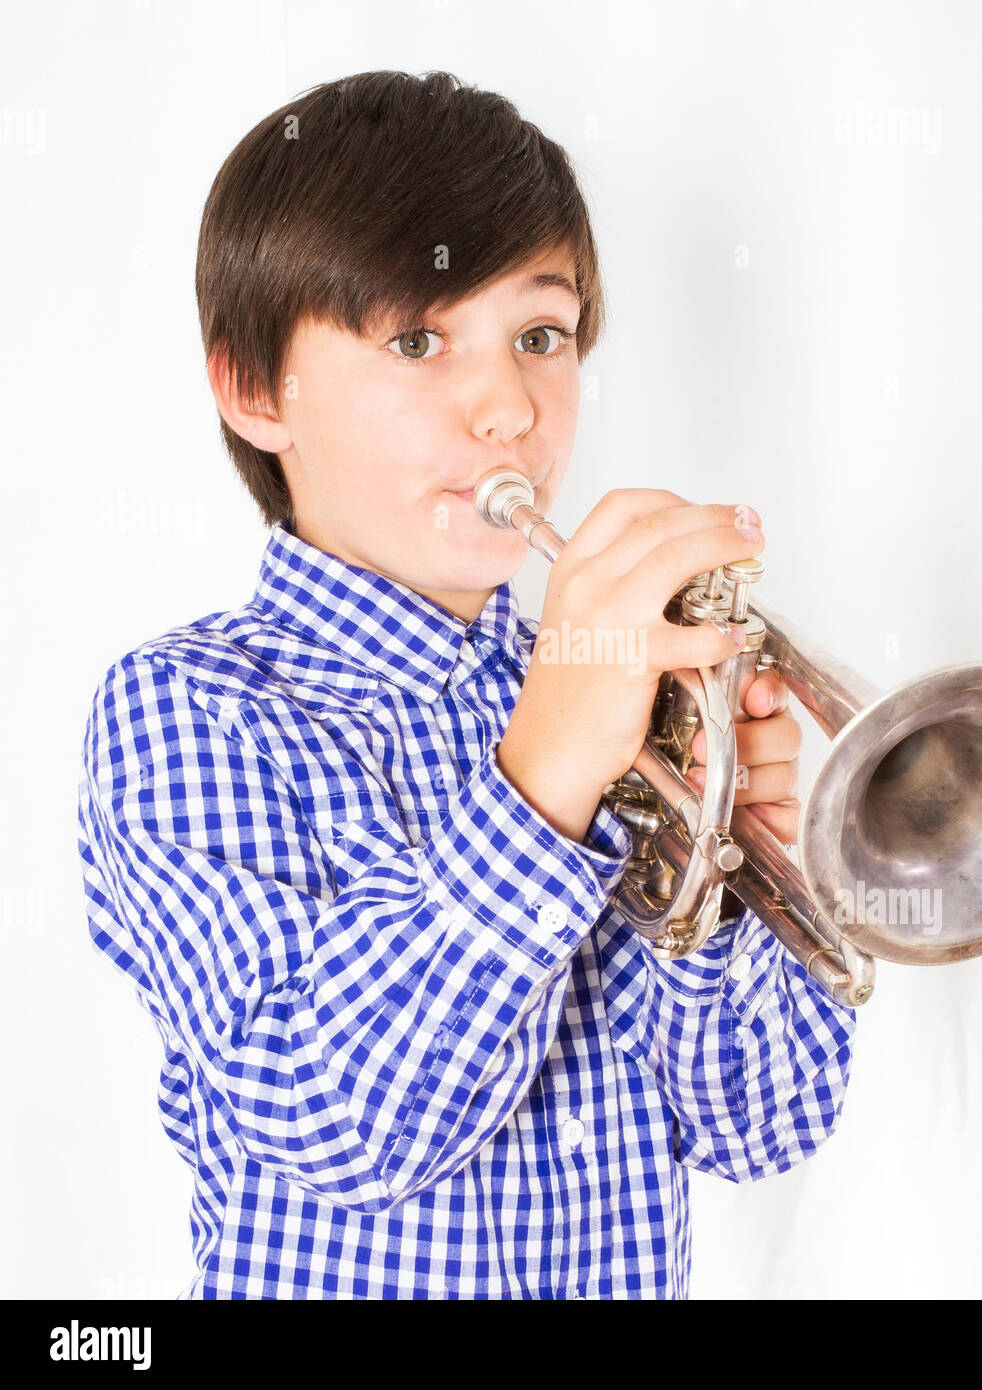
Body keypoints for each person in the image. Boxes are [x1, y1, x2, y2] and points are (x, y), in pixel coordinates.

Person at [76, 69, 857, 1300]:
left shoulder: (608, 699)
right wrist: (541, 776)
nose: (509, 409)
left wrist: (717, 862)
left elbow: (760, 1129)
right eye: (417, 339)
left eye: (541, 337)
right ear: (254, 390)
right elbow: (339, 1124)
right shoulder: (190, 709)